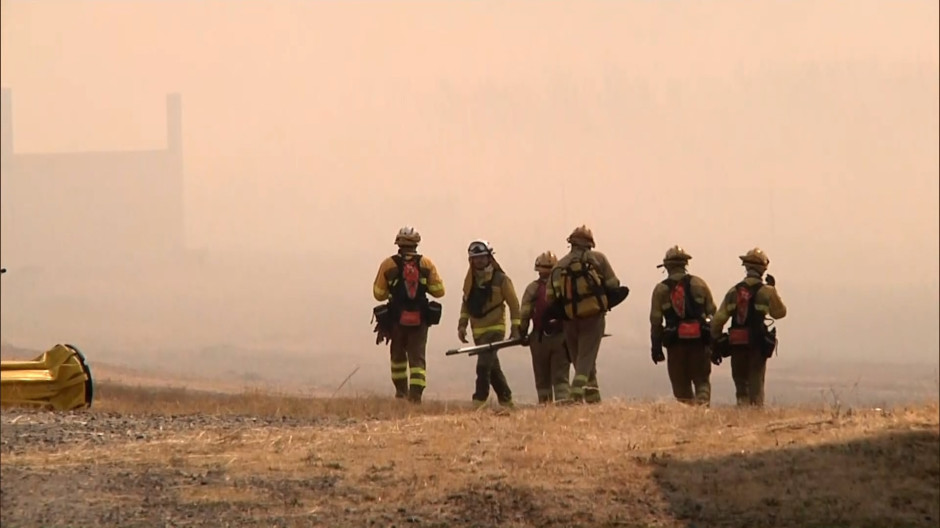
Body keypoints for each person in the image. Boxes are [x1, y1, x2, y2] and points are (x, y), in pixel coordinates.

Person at [547, 225, 624, 404]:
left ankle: (593, 400)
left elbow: (551, 297)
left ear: (571, 243)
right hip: (594, 317)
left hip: (570, 319)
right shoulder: (598, 259)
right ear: (590, 244)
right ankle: (575, 396)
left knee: (580, 359)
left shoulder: (559, 266)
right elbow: (614, 285)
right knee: (586, 359)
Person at [372, 226, 445, 403]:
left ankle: (400, 393)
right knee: (417, 359)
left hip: (395, 319)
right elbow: (439, 291)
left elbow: (378, 294)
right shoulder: (426, 264)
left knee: (397, 358)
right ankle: (415, 397)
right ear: (416, 244)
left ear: (398, 243)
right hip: (420, 320)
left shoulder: (388, 264)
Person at [710, 247, 788, 407]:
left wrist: (716, 341)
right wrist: (774, 290)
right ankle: (754, 418)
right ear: (763, 269)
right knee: (756, 385)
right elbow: (779, 313)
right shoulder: (767, 291)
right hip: (757, 345)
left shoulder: (734, 291)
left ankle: (742, 415)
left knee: (740, 386)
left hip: (737, 344)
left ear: (745, 266)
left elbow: (718, 320)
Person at [649, 245, 717, 405]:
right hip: (700, 343)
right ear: (685, 264)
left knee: (680, 386)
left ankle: (689, 412)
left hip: (675, 345)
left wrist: (656, 347)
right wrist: (714, 342)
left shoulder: (660, 290)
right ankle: (702, 410)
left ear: (666, 266)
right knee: (702, 381)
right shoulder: (700, 284)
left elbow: (656, 322)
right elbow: (713, 314)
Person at [457, 240, 521, 409]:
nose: (479, 261)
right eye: (475, 258)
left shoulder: (501, 279)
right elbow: (466, 304)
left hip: (495, 329)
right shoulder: (470, 281)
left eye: (482, 257)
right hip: (478, 331)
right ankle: (507, 401)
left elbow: (514, 304)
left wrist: (515, 329)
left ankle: (479, 400)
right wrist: (462, 325)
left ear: (489, 258)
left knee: (483, 365)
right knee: (493, 368)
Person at [519, 251, 571, 404]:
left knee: (542, 378)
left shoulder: (533, 288)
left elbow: (525, 314)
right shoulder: (564, 286)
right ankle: (564, 406)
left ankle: (544, 406)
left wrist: (522, 333)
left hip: (539, 338)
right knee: (561, 377)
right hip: (562, 338)